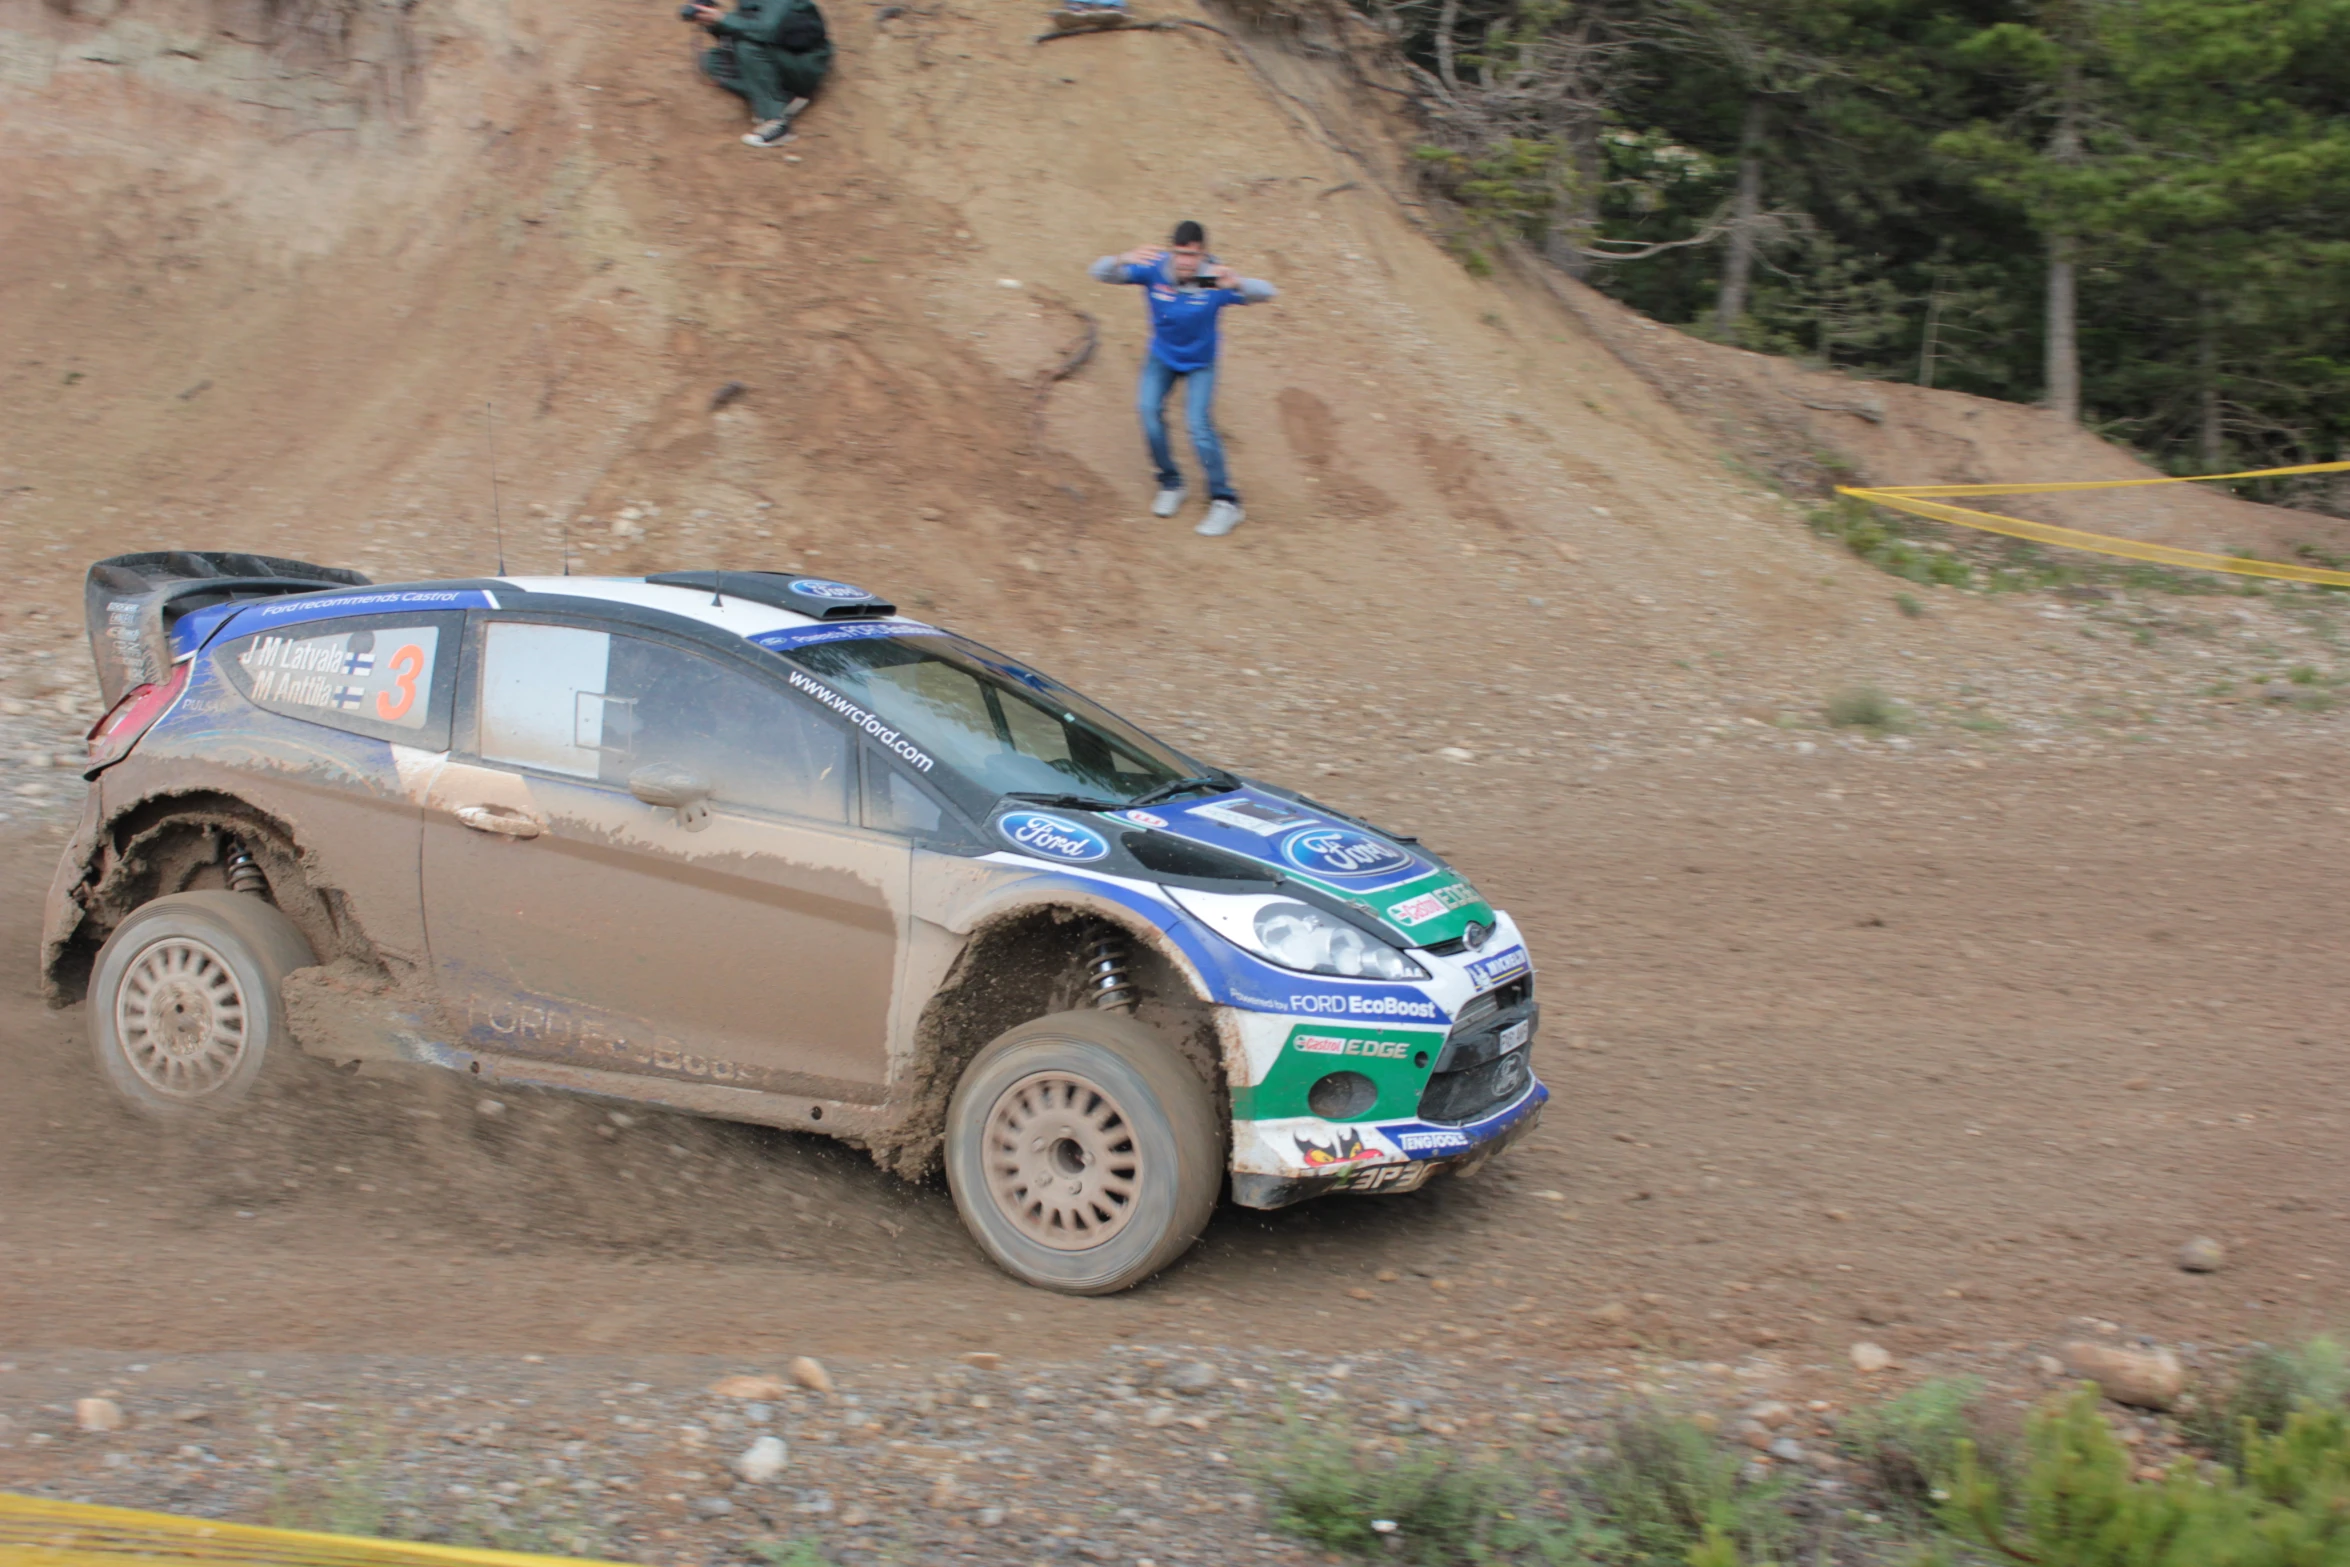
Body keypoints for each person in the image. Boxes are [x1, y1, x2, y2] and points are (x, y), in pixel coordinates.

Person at [1089, 221, 1277, 538]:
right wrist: (1123, 258)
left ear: (1202, 253)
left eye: (1192, 255)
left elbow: (1268, 292)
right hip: (1162, 356)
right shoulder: (1156, 271)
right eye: (1180, 254)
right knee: (1147, 410)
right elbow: (1098, 273)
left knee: (1199, 426)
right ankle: (1171, 482)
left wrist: (1239, 283)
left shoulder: (1210, 280)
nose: (1186, 262)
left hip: (1200, 363)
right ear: (1172, 251)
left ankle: (1226, 501)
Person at [689, 0, 831, 148]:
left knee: (746, 46)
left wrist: (723, 19)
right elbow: (738, 31)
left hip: (803, 65)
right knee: (713, 61)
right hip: (780, 59)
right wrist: (711, 23)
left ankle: (776, 124)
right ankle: (784, 98)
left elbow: (765, 31)